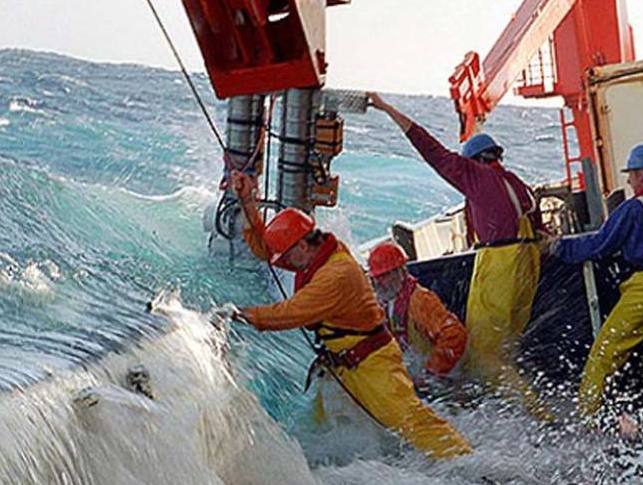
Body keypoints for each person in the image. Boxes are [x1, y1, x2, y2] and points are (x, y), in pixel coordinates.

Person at [223, 172, 472, 459]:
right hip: (341, 365)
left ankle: (471, 464)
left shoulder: (337, 274)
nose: (286, 265)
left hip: (371, 365)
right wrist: (247, 202)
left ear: (303, 246)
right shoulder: (316, 253)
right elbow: (268, 250)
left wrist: (241, 314)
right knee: (322, 428)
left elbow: (290, 313)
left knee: (414, 422)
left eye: (288, 258)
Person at [367, 93, 546, 414]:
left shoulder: (476, 176)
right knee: (505, 348)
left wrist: (387, 108)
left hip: (499, 264)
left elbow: (432, 151)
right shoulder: (517, 183)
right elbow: (538, 225)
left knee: (483, 355)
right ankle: (515, 401)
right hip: (528, 264)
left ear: (473, 160)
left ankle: (537, 416)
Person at [546, 143, 643, 435]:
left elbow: (600, 244)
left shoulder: (633, 208)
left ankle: (588, 421)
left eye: (631, 175)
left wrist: (558, 246)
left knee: (606, 351)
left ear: (641, 174)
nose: (628, 180)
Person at [367, 241, 468, 393]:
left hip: (442, 382)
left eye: (385, 276)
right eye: (376, 278)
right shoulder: (385, 302)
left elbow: (455, 335)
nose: (379, 283)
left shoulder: (421, 300)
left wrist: (430, 374)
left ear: (401, 272)